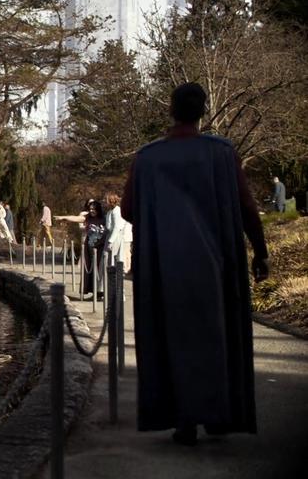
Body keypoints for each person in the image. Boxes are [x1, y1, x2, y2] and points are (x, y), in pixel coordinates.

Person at [121, 82, 269, 446]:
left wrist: (164, 219)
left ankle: (183, 420)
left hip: (165, 266)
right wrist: (260, 251)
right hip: (214, 265)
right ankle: (217, 414)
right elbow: (247, 207)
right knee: (216, 338)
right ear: (202, 111)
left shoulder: (148, 157)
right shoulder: (222, 153)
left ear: (171, 109)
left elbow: (127, 209)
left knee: (171, 339)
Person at [104, 193, 129, 269]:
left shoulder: (117, 211)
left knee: (112, 258)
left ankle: (112, 278)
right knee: (107, 258)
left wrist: (111, 241)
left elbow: (117, 227)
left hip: (115, 237)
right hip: (110, 235)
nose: (105, 202)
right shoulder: (110, 211)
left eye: (106, 200)